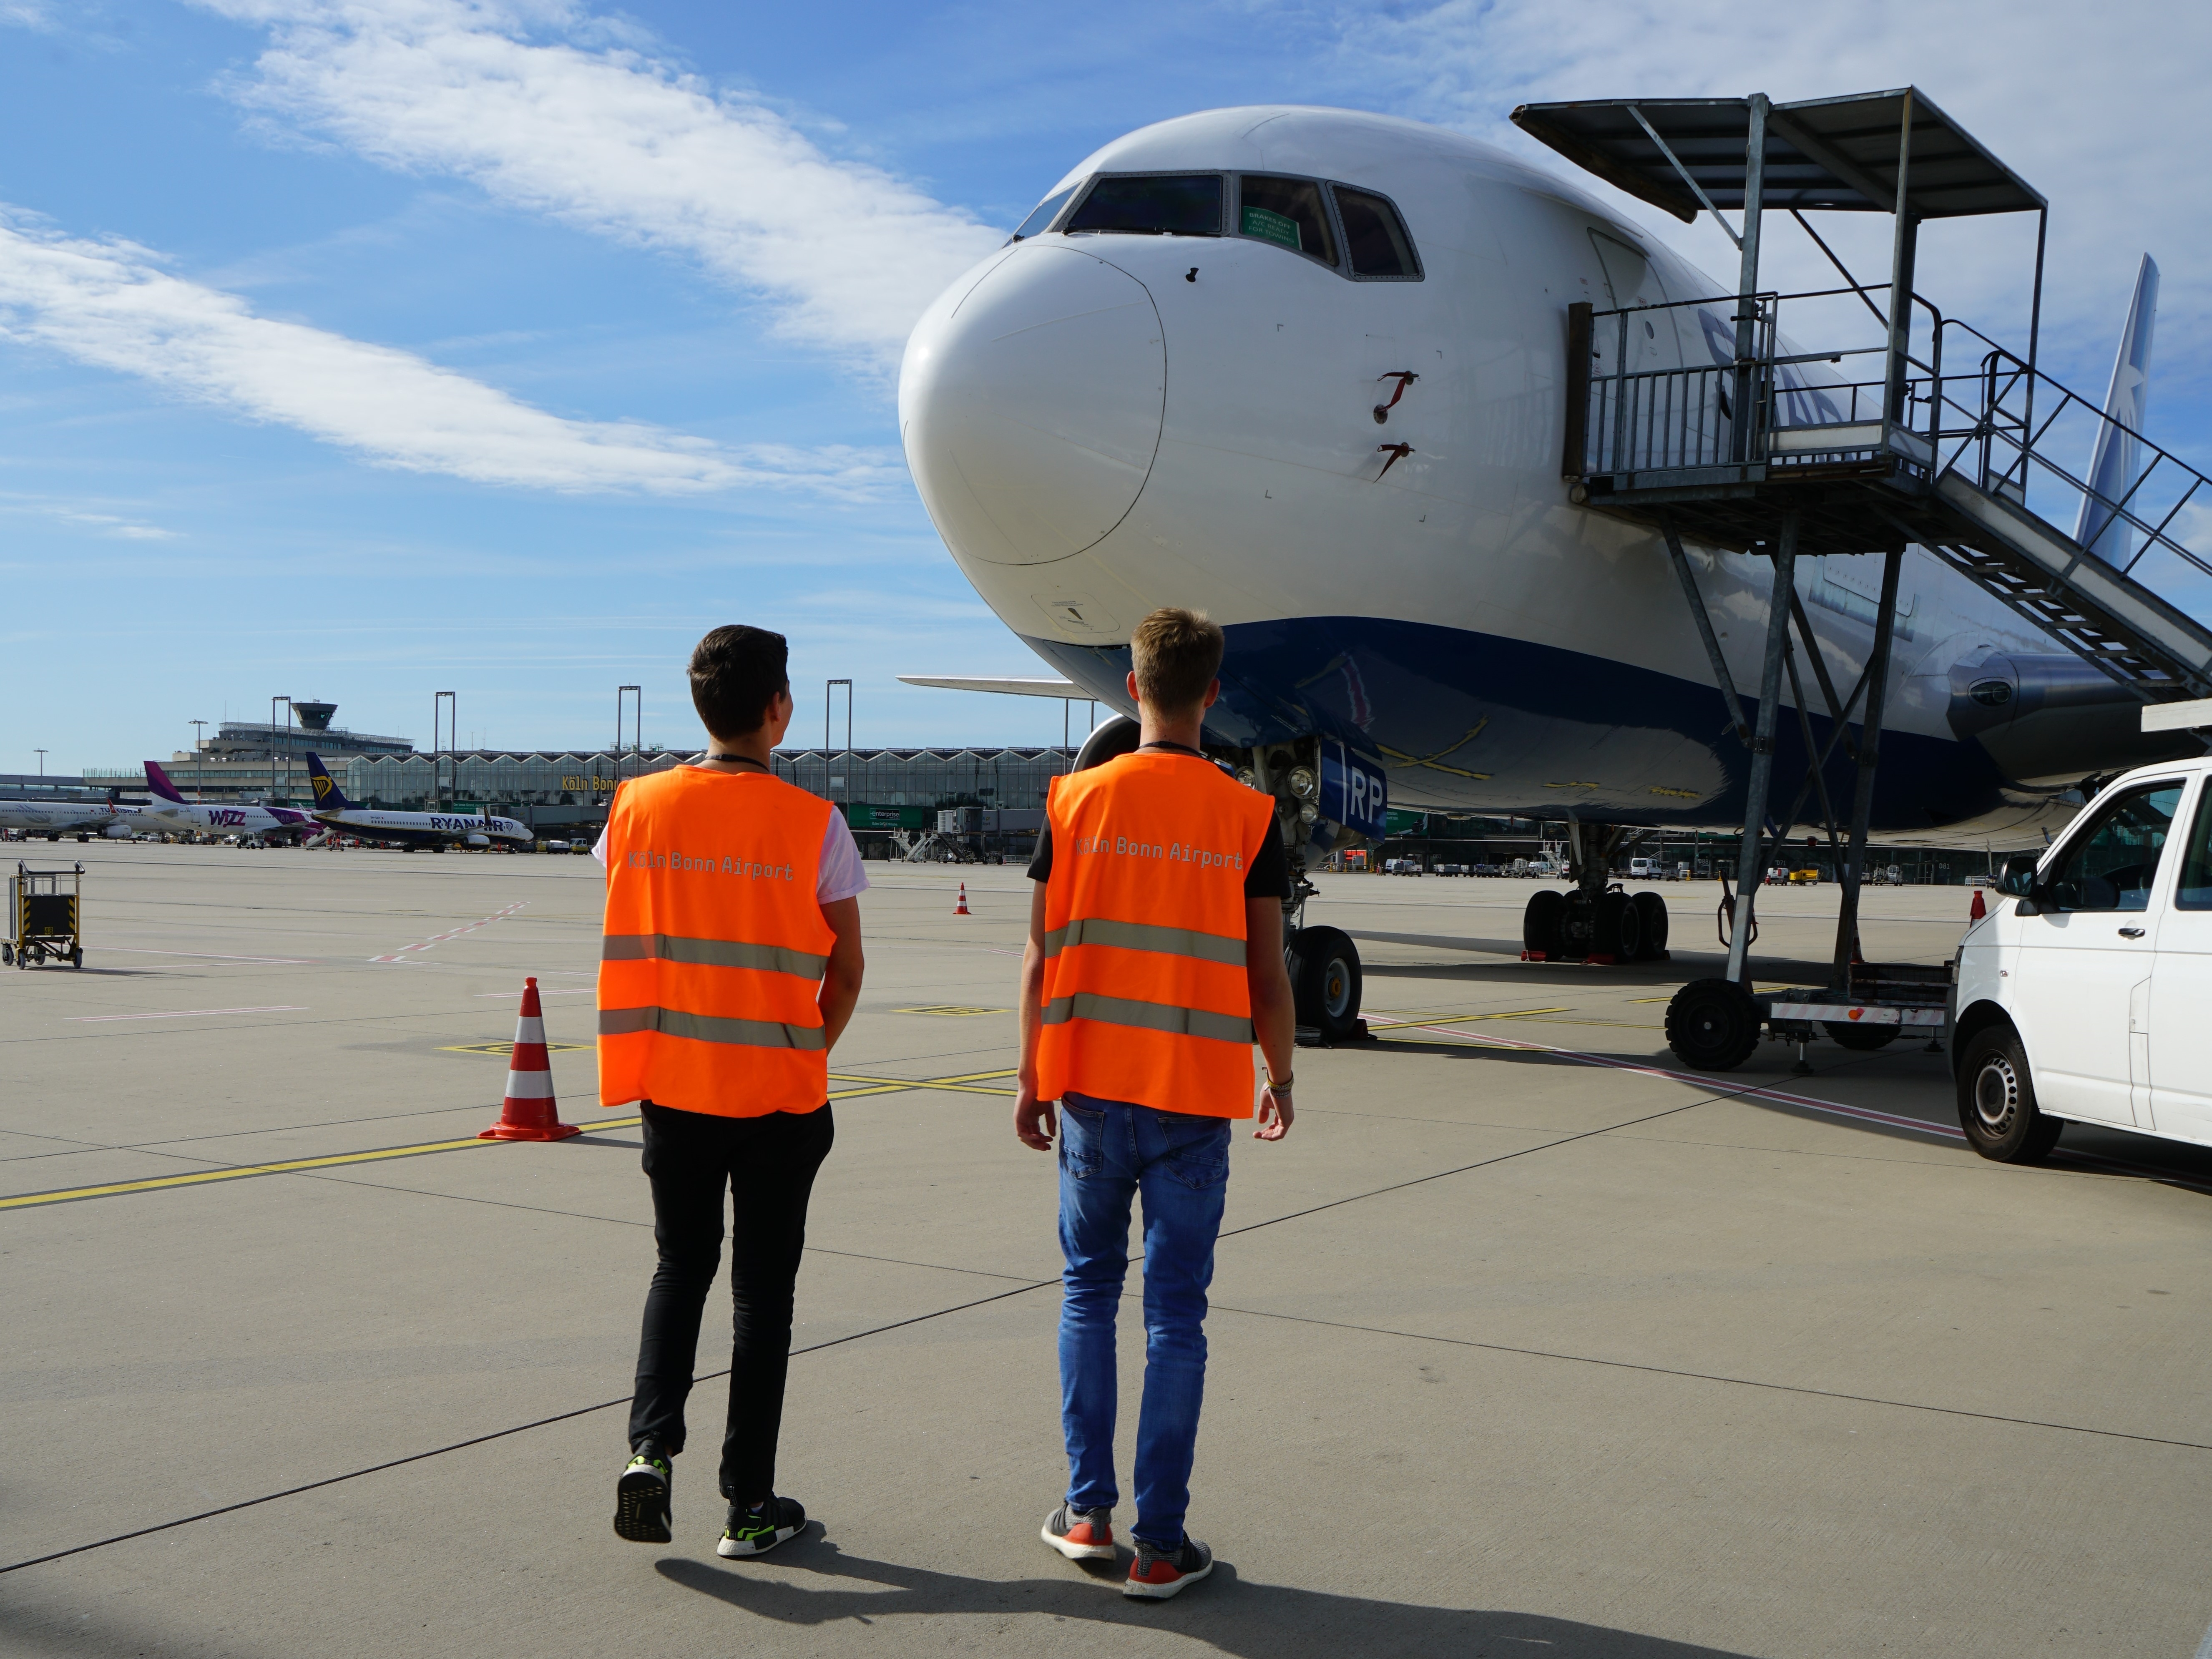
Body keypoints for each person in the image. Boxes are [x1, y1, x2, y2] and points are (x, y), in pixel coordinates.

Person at [1013, 606, 1298, 1601]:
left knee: (1089, 1290)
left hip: (1090, 1089)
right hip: (1192, 1103)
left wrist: (1028, 1077)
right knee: (1177, 1314)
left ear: (1130, 688)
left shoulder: (1074, 802)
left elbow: (1043, 960)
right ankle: (1163, 1545)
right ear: (1211, 693)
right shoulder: (1245, 816)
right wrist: (1282, 1074)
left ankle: (1087, 1516)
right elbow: (1268, 973)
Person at [596, 624, 867, 1558]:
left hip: (672, 1088)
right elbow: (848, 968)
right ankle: (748, 1505)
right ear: (779, 710)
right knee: (763, 1300)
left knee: (679, 1270)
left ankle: (648, 1454)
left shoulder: (633, 809)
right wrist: (805, 1049)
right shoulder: (813, 824)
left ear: (701, 708)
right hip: (780, 1100)